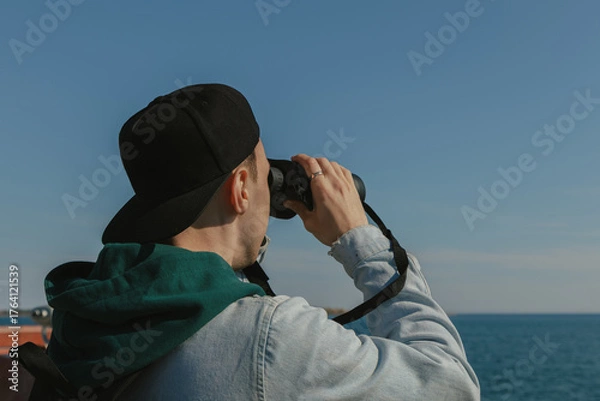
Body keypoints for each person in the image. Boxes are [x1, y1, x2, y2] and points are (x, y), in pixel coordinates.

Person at [43, 83, 480, 400]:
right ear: (240, 189)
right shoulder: (273, 340)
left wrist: (242, 245)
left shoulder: (86, 321)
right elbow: (450, 386)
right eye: (261, 172)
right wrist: (360, 239)